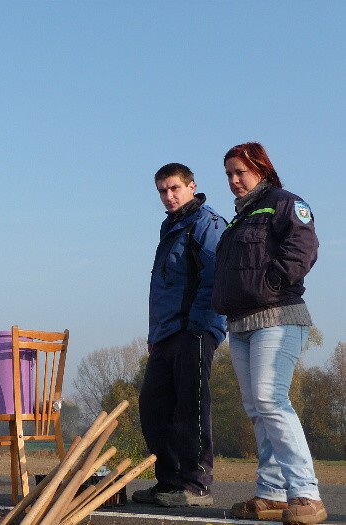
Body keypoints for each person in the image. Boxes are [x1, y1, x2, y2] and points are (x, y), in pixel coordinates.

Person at [212, 142, 327, 524]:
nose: (233, 180)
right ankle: (273, 493)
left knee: (270, 400)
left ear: (260, 169)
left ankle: (306, 493)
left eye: (240, 172)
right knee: (256, 408)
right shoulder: (239, 219)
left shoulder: (284, 203)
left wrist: (272, 281)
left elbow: (304, 247)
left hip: (278, 315)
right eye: (228, 173)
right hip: (241, 323)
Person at [132, 163, 226, 508]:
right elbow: (165, 286)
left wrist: (198, 327)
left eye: (174, 188)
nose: (168, 196)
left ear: (191, 186)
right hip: (165, 332)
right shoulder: (170, 225)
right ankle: (169, 480)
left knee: (191, 406)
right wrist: (155, 332)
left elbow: (215, 277)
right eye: (162, 191)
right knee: (153, 406)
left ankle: (196, 484)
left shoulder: (207, 224)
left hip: (193, 330)